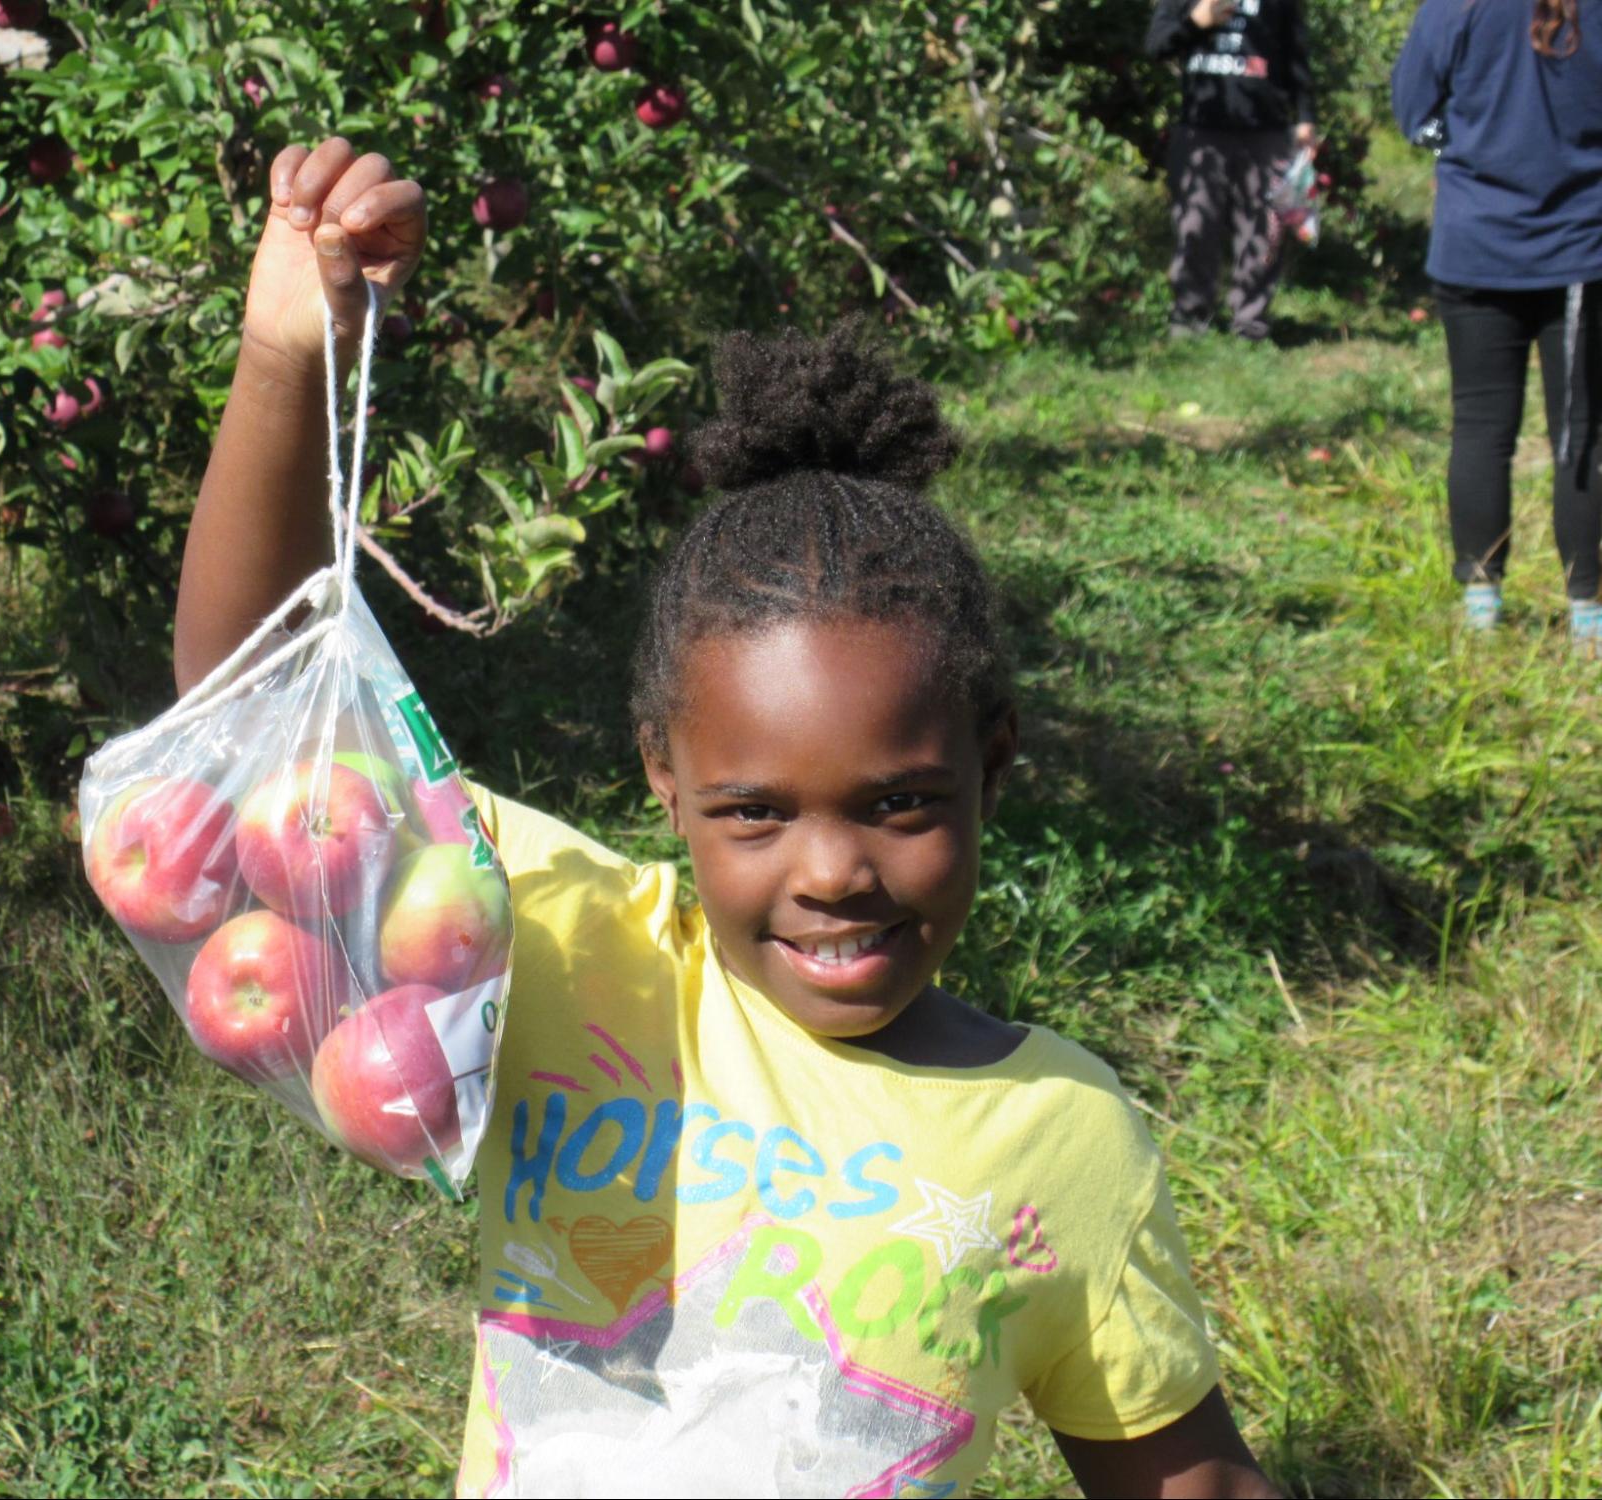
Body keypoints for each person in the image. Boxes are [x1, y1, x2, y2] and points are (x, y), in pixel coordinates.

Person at [175, 137, 1280, 1499]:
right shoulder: (568, 953)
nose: (833, 873)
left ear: (993, 764)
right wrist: (292, 359)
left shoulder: (1060, 1136)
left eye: (899, 804)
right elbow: (268, 729)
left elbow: (1185, 1478)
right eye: (751, 812)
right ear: (662, 780)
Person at [1391, 0, 1602, 650]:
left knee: (1480, 429)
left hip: (1475, 241)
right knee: (1581, 434)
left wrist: (1480, 142)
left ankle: (1481, 608)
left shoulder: (1454, 7)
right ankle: (1586, 618)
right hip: (1581, 250)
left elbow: (1411, 114)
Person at [1145, 0, 1317, 342]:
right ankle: (1190, 316)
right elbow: (1156, 47)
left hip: (1265, 129)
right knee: (1196, 225)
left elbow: (1296, 52)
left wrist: (1306, 116)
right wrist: (1196, 22)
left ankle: (1250, 324)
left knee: (1264, 230)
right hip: (1201, 131)